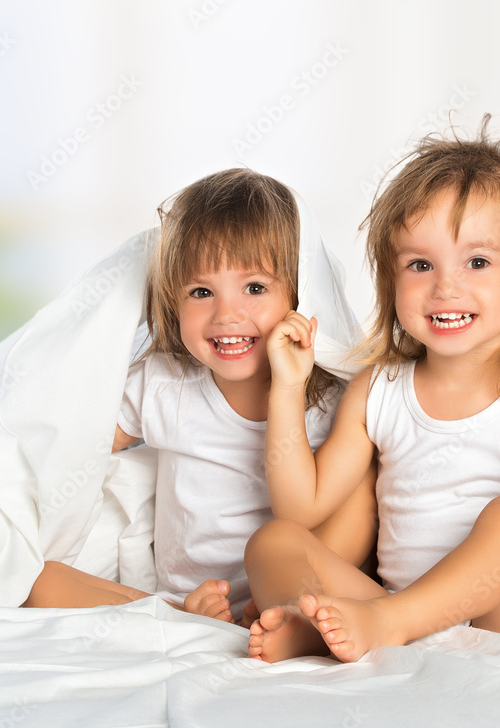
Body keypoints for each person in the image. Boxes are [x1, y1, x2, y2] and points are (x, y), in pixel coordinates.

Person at [245, 116, 500, 661]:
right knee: (272, 542)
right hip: (388, 608)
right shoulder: (381, 390)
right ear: (389, 280)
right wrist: (286, 389)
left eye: (477, 261)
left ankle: (381, 624)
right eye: (420, 264)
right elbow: (300, 508)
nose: (446, 286)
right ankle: (308, 623)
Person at [23, 168, 374, 625]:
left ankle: (294, 610)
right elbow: (74, 448)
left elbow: (316, 515)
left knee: (363, 476)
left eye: (255, 288)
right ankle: (174, 615)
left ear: (300, 293)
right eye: (201, 292)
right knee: (34, 580)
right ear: (173, 302)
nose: (226, 314)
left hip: (299, 574)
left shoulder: (331, 401)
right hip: (190, 596)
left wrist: (288, 388)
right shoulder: (163, 383)